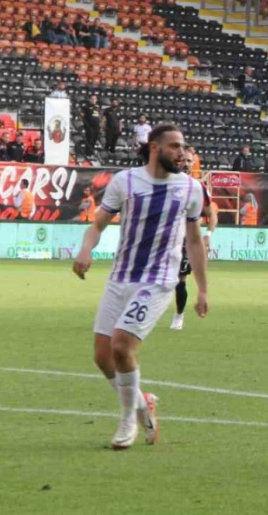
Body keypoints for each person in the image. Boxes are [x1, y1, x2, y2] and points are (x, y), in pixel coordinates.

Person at [72, 123, 209, 449]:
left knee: (121, 347)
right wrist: (86, 248)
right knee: (102, 357)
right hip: (121, 277)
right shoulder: (126, 181)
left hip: (158, 280)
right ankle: (141, 405)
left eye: (183, 146)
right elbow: (98, 225)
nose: (182, 153)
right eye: (175, 146)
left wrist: (202, 289)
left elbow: (194, 240)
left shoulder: (190, 189)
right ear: (155, 148)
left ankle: (126, 422)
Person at [170, 148, 218, 331]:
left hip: (185, 240)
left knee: (180, 279)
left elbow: (211, 215)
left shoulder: (198, 188)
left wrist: (208, 235)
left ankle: (179, 315)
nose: (186, 164)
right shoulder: (165, 183)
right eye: (183, 160)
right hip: (164, 237)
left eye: (189, 161)